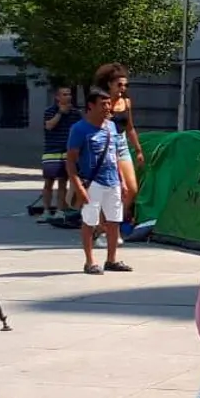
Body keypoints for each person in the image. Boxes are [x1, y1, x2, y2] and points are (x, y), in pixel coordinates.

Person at [66, 88, 133, 275]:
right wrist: (78, 187)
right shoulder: (79, 129)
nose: (107, 107)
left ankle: (111, 260)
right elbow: (71, 160)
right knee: (90, 222)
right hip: (92, 182)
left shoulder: (111, 127)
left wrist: (123, 181)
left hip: (113, 182)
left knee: (114, 221)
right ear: (91, 106)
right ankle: (90, 262)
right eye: (102, 104)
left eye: (108, 104)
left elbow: (115, 155)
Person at [94, 64, 144, 234]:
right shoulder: (102, 102)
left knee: (131, 189)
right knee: (109, 188)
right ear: (109, 84)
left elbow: (130, 127)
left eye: (125, 85)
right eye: (119, 85)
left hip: (121, 144)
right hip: (105, 146)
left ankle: (112, 223)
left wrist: (138, 150)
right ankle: (102, 227)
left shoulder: (126, 102)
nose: (123, 88)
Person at [33, 86, 77, 221]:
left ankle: (60, 210)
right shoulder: (50, 111)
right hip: (51, 151)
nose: (68, 97)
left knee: (63, 182)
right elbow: (49, 126)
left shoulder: (75, 113)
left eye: (69, 94)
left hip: (67, 151)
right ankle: (46, 211)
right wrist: (60, 113)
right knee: (48, 182)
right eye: (64, 94)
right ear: (57, 97)